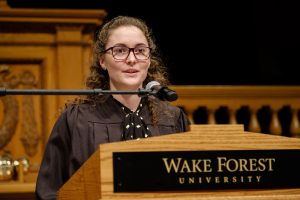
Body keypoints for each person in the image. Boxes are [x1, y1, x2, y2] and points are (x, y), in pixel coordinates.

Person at [35, 15, 190, 200]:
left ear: (149, 59)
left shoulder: (173, 119)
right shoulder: (75, 120)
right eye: (120, 50)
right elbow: (49, 192)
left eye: (140, 50)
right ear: (102, 61)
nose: (132, 59)